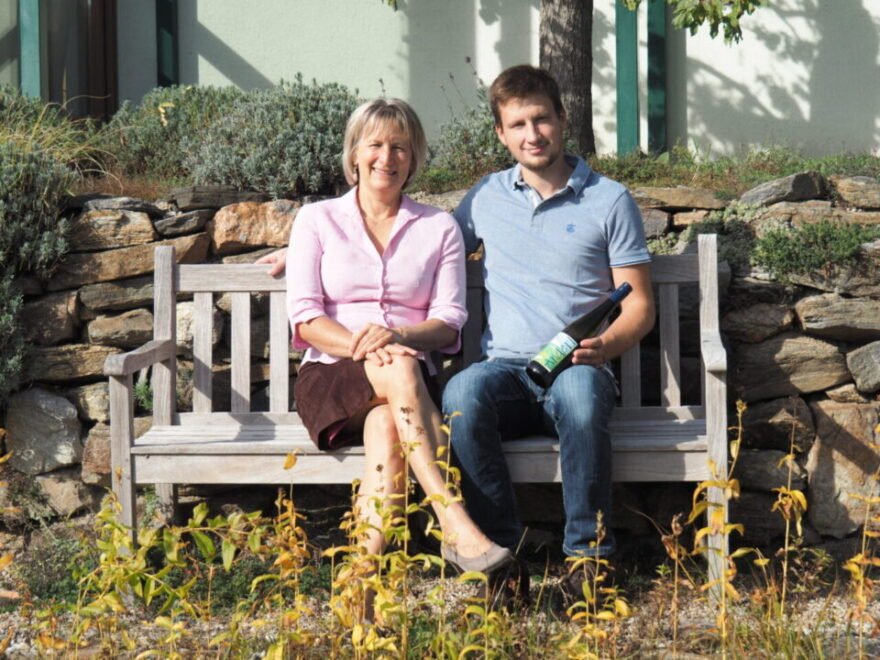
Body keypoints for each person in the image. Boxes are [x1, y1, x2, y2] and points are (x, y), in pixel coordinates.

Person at [280, 99, 513, 600]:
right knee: (400, 370)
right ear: (355, 153)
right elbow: (305, 318)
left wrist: (399, 336)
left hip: (406, 387)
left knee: (388, 420)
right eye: (376, 145)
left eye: (400, 147)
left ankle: (360, 586)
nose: (387, 157)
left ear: (413, 158)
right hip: (331, 374)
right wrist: (362, 346)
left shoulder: (438, 227)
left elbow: (450, 321)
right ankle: (454, 523)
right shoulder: (317, 220)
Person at [441, 65, 655, 601]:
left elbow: (641, 305)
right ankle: (501, 561)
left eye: (541, 119)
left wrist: (604, 345)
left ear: (563, 119)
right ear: (501, 133)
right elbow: (421, 248)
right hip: (507, 370)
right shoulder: (485, 198)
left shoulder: (609, 200)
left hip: (579, 366)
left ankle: (589, 561)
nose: (531, 134)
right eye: (517, 124)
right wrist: (305, 248)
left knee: (581, 399)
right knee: (462, 394)